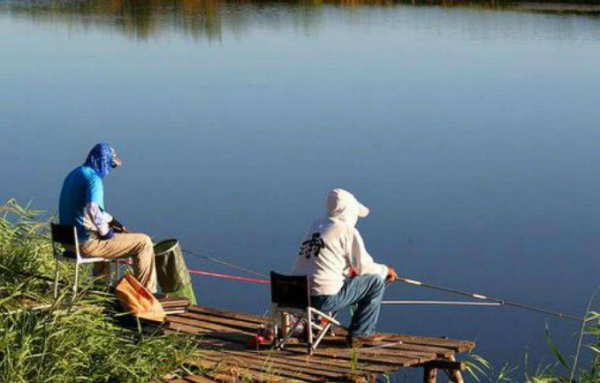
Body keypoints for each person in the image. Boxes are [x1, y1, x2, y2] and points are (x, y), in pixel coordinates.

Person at [292, 188, 397, 347]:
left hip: (296, 296)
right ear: (349, 212)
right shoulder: (347, 231)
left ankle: (322, 325)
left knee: (348, 279)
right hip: (323, 299)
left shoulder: (316, 226)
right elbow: (364, 268)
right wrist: (386, 270)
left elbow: (324, 262)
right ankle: (361, 334)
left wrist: (348, 271)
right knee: (375, 282)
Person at [58, 143, 158, 293]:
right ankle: (147, 295)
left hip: (67, 241)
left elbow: (88, 209)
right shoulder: (93, 179)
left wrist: (112, 221)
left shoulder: (74, 174)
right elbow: (93, 208)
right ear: (103, 161)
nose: (111, 169)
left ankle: (99, 291)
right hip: (85, 244)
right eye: (112, 164)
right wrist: (106, 232)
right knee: (144, 243)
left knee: (103, 238)